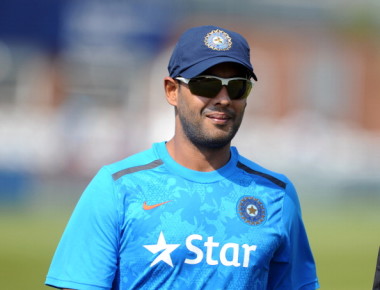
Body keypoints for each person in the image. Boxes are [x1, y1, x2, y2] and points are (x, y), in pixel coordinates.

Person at [45, 25, 320, 290]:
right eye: (206, 84)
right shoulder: (117, 187)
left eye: (237, 87)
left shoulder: (276, 195)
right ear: (172, 91)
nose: (223, 99)